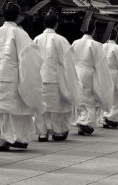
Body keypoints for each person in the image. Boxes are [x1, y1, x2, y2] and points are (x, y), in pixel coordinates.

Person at [0, 3, 46, 151]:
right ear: (18, 17)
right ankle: (15, 137)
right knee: (15, 110)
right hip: (15, 77)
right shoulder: (21, 34)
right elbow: (29, 58)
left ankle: (1, 140)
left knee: (2, 111)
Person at [33, 12, 82, 142]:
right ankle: (58, 131)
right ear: (56, 24)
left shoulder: (36, 39)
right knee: (58, 107)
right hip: (55, 78)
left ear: (44, 24)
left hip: (40, 78)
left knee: (42, 107)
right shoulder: (61, 40)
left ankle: (42, 133)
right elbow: (68, 62)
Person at [72, 20, 113, 135]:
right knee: (89, 98)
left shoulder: (75, 43)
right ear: (93, 30)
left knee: (79, 97)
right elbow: (100, 63)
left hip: (76, 71)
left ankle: (81, 119)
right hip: (88, 72)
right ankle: (86, 121)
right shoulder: (96, 45)